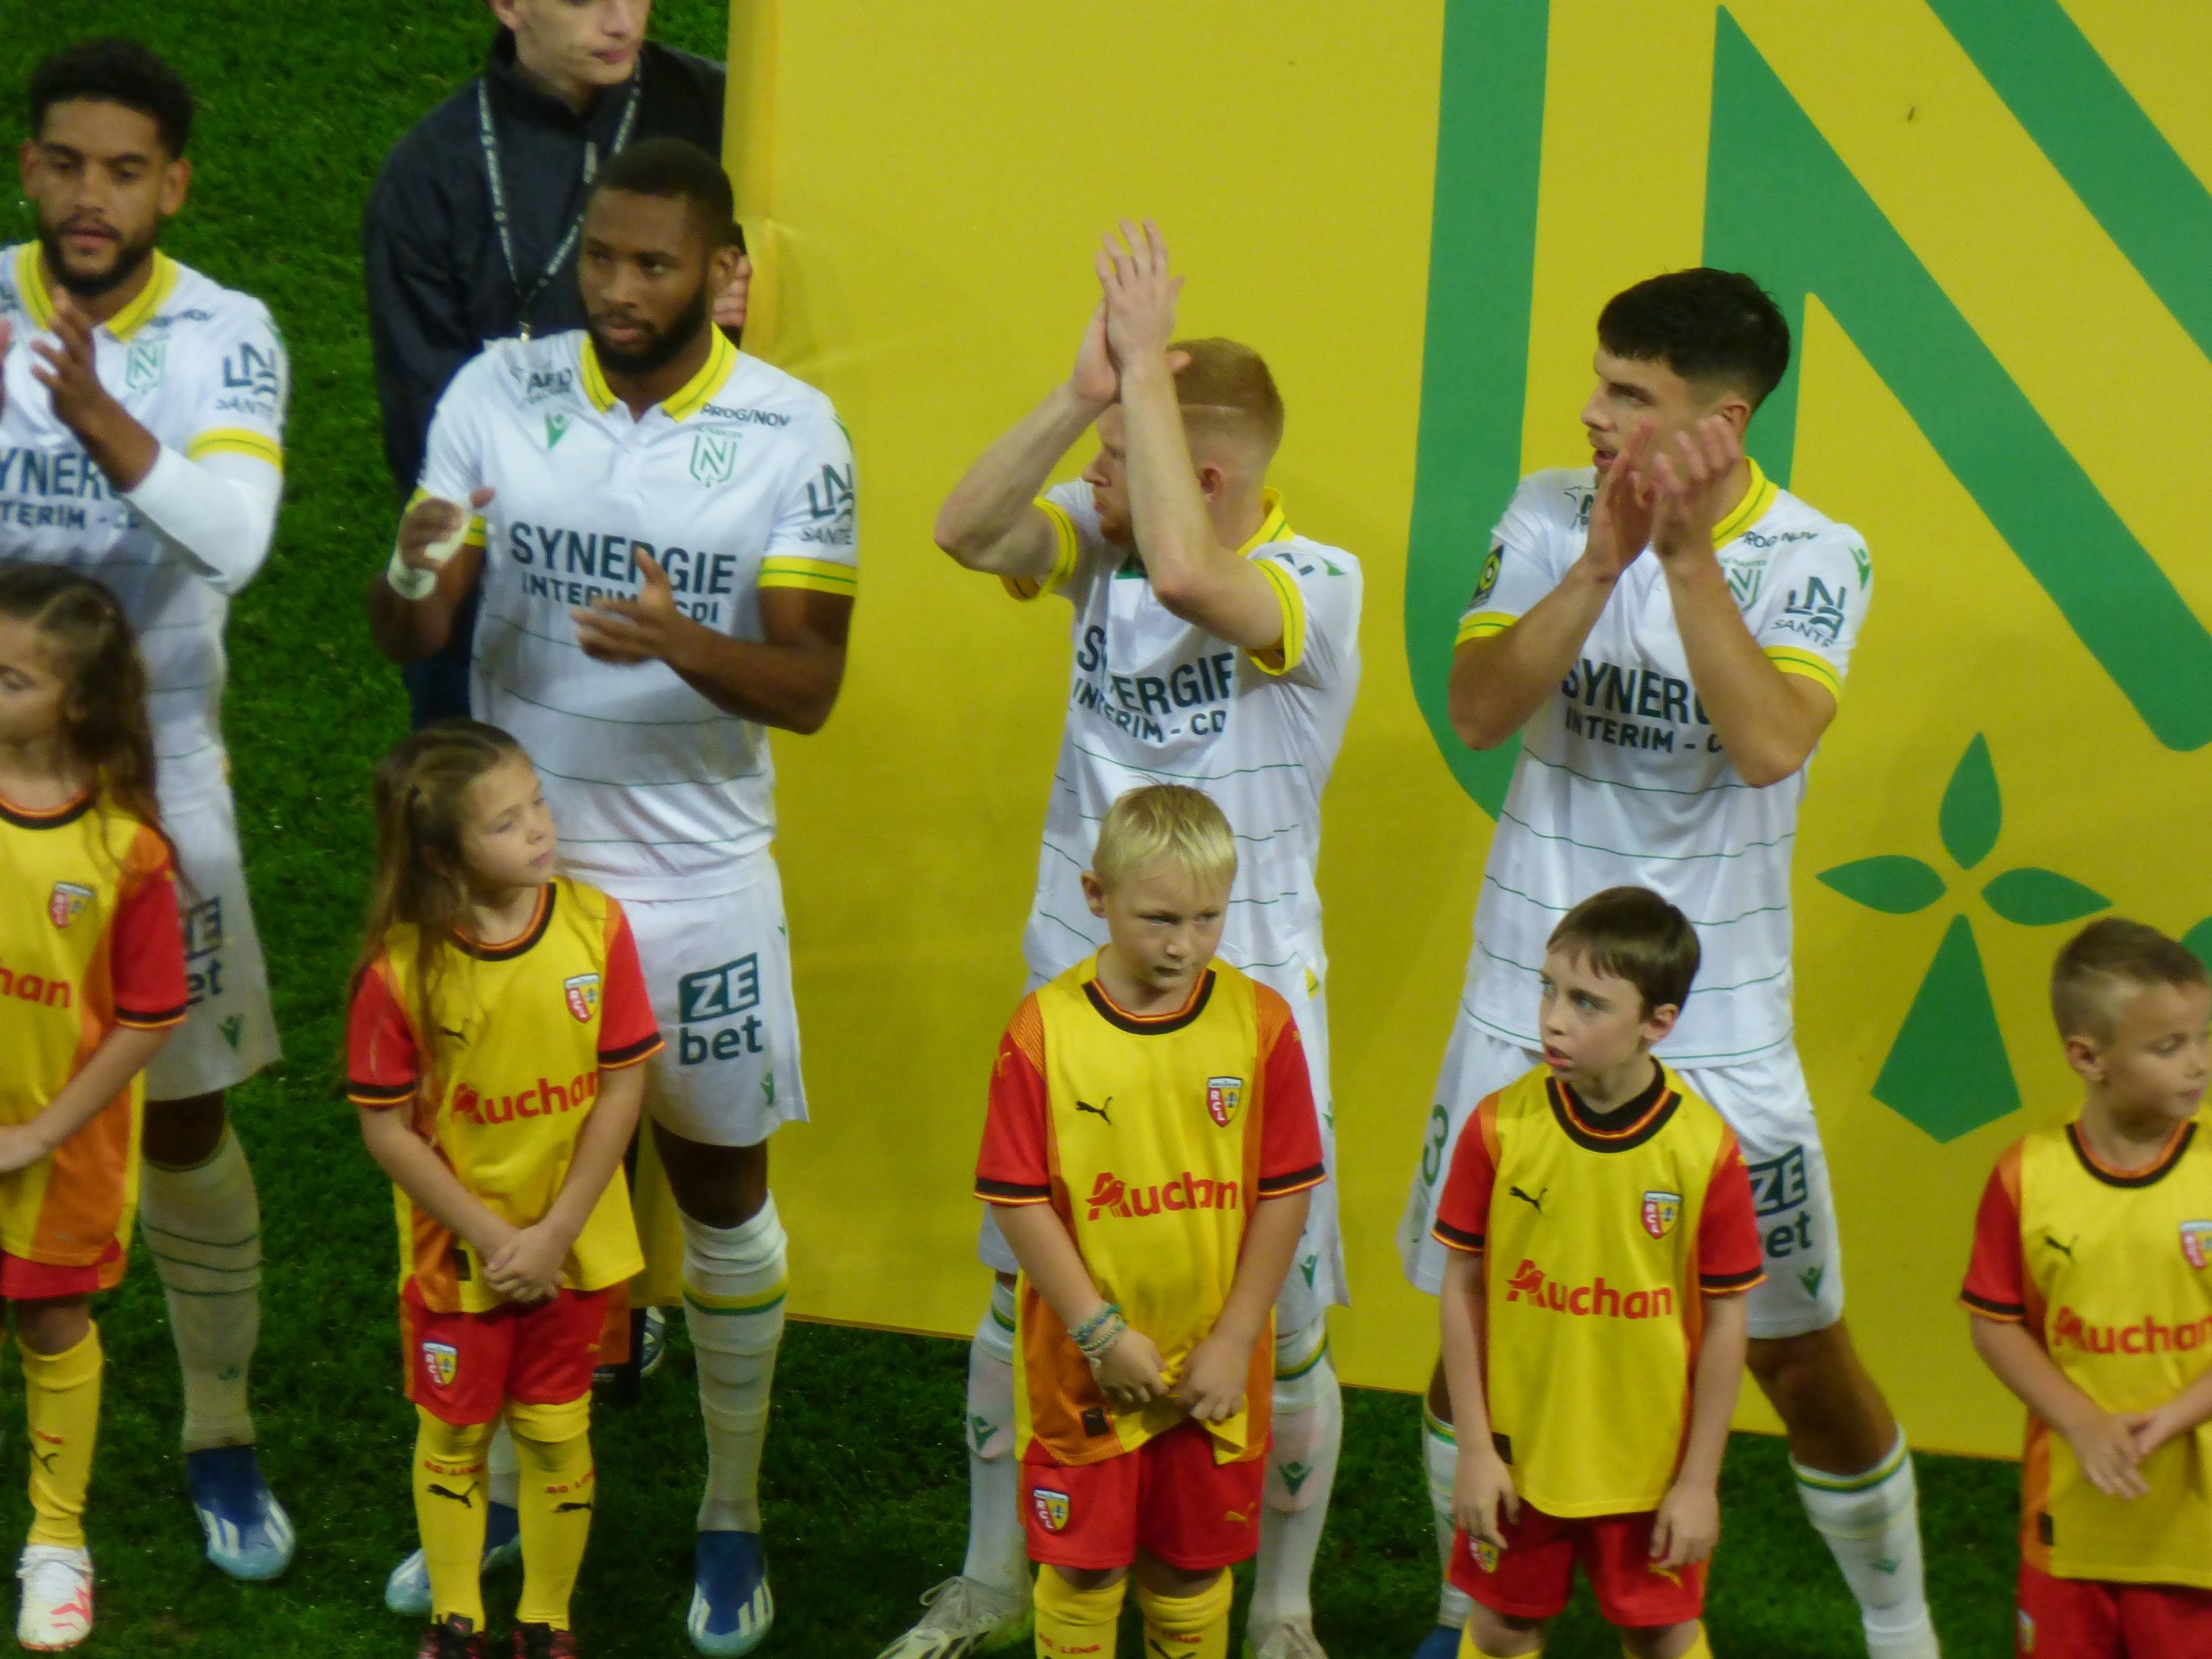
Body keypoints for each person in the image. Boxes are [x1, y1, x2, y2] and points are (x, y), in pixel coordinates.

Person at [1397, 267, 1939, 1659]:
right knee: (1480, 1323)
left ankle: (1902, 1631)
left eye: (1629, 396)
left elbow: (1769, 741)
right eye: (1599, 382)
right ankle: (1473, 1617)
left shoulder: (1818, 554)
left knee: (1797, 1355)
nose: (1591, 414)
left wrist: (1686, 560)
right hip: (1529, 1001)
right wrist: (1601, 563)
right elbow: (1475, 707)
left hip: (1722, 1037)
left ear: (1724, 419)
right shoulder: (1545, 513)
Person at [366, 135, 856, 1658]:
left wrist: (680, 642)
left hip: (697, 880)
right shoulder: (495, 394)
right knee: (503, 1192)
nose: (622, 291)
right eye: (602, 260)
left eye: (656, 266)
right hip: (509, 870)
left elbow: (813, 683)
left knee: (720, 1190)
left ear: (720, 273)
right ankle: (501, 1488)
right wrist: (423, 567)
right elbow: (406, 619)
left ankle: (730, 1511)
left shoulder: (795, 430)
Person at [891, 220, 1360, 1659]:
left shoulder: (1311, 585)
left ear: (1206, 475)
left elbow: (1186, 568)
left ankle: (1275, 1611)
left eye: (1121, 450)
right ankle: (990, 1577)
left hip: (1249, 1009)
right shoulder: (1103, 541)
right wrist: (1084, 395)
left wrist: (1147, 381)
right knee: (1022, 1290)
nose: (1092, 485)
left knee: (1272, 1323)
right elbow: (965, 529)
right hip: (1075, 987)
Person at [1, 38, 294, 1578]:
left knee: (180, 1115)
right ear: (31, 165)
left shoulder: (225, 336)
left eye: (128, 170)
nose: (93, 195)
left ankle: (218, 1429)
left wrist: (104, 419)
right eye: (68, 163)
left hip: (157, 786)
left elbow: (235, 538)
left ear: (172, 183)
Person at [973, 784, 1326, 1659]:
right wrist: (1097, 1333)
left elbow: (1286, 1192)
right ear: (1096, 896)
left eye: (1209, 919)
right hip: (1086, 1370)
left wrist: (1236, 1339)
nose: (1183, 946)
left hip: (1213, 1369)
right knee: (1086, 1571)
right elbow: (1016, 1199)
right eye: (1159, 918)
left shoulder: (1261, 1026)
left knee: (1189, 1569)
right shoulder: (1044, 1031)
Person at [347, 722, 663, 1659]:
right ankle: (458, 1623)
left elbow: (622, 1085)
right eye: (506, 822)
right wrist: (495, 1235)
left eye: (537, 805)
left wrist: (556, 1230)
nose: (538, 829)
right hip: (463, 1260)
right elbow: (387, 1130)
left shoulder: (596, 928)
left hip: (573, 1252)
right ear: (441, 854)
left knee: (560, 1432)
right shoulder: (401, 973)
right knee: (453, 1434)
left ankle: (546, 1622)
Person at [364, 0, 748, 730]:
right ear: (509, 6)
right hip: (503, 588)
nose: (621, 21)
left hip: (686, 575)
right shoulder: (426, 180)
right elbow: (430, 436)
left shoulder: (729, 119)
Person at [1431, 887, 1760, 1659]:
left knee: (1662, 1636)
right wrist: (1475, 1450)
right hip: (1521, 1458)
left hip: (1649, 1470)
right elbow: (1464, 1286)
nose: (1553, 1018)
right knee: (1505, 1626)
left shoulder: (1703, 1152)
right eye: (1548, 988)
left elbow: (1725, 1326)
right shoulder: (1498, 1126)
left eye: (1587, 1003)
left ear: (1658, 1024)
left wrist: (1698, 1481)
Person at [0, 566, 189, 1648]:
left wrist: (39, 1131)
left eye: (10, 678)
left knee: (51, 1318)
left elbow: (150, 1015)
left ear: (71, 702)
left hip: (59, 1146)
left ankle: (58, 1540)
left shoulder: (126, 849)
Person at [1962, 919, 2212, 1657]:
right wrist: (2081, 1422)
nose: (2198, 1064)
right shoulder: (2027, 1176)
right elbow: (1995, 1323)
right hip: (2069, 1525)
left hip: (2194, 1535)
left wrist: (2174, 1415)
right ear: (2088, 1057)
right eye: (2169, 1048)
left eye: (2203, 1037)